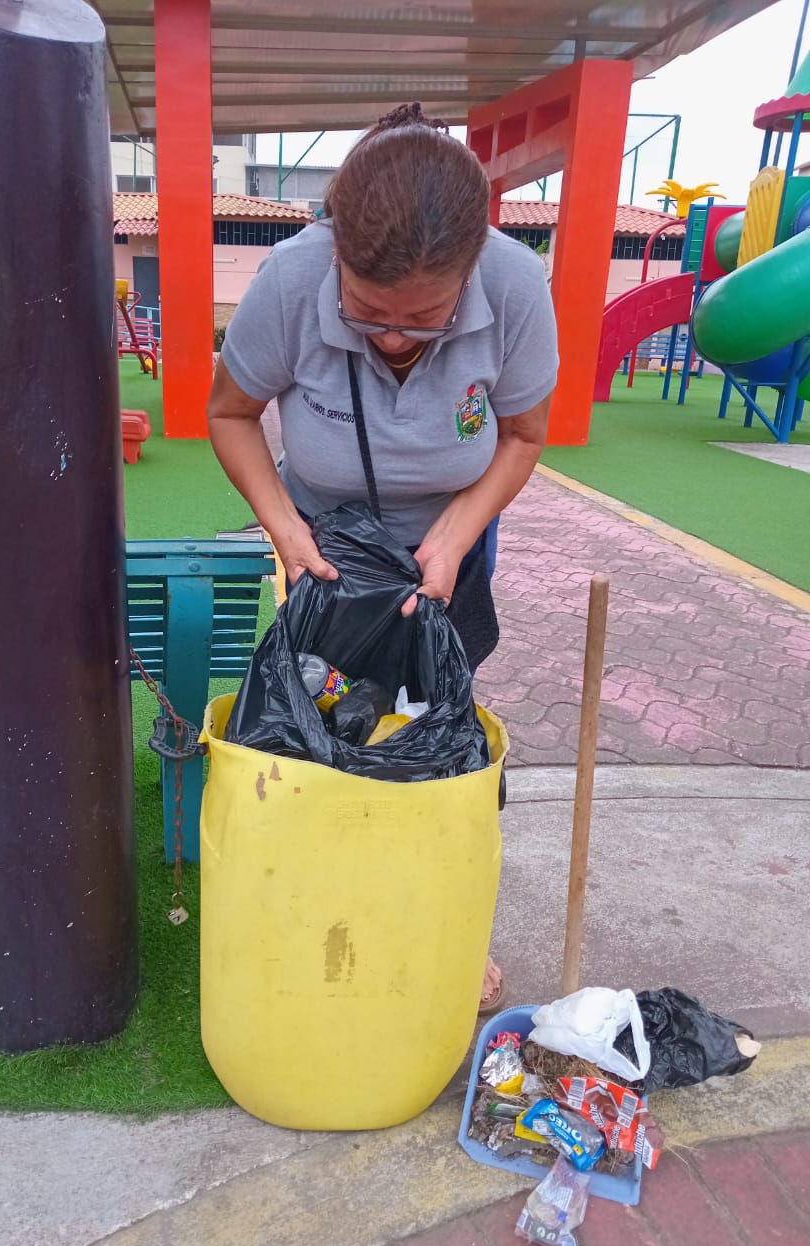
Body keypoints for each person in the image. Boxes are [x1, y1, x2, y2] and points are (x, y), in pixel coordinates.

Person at [207, 103, 559, 1015]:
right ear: (335, 256)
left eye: (426, 318)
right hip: (321, 547)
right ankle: (324, 912)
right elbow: (231, 413)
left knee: (439, 739)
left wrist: (458, 530)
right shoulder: (291, 281)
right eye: (367, 314)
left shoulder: (517, 287)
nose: (396, 338)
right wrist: (285, 531)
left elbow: (523, 436)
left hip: (449, 547)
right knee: (315, 736)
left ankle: (442, 922)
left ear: (472, 271)